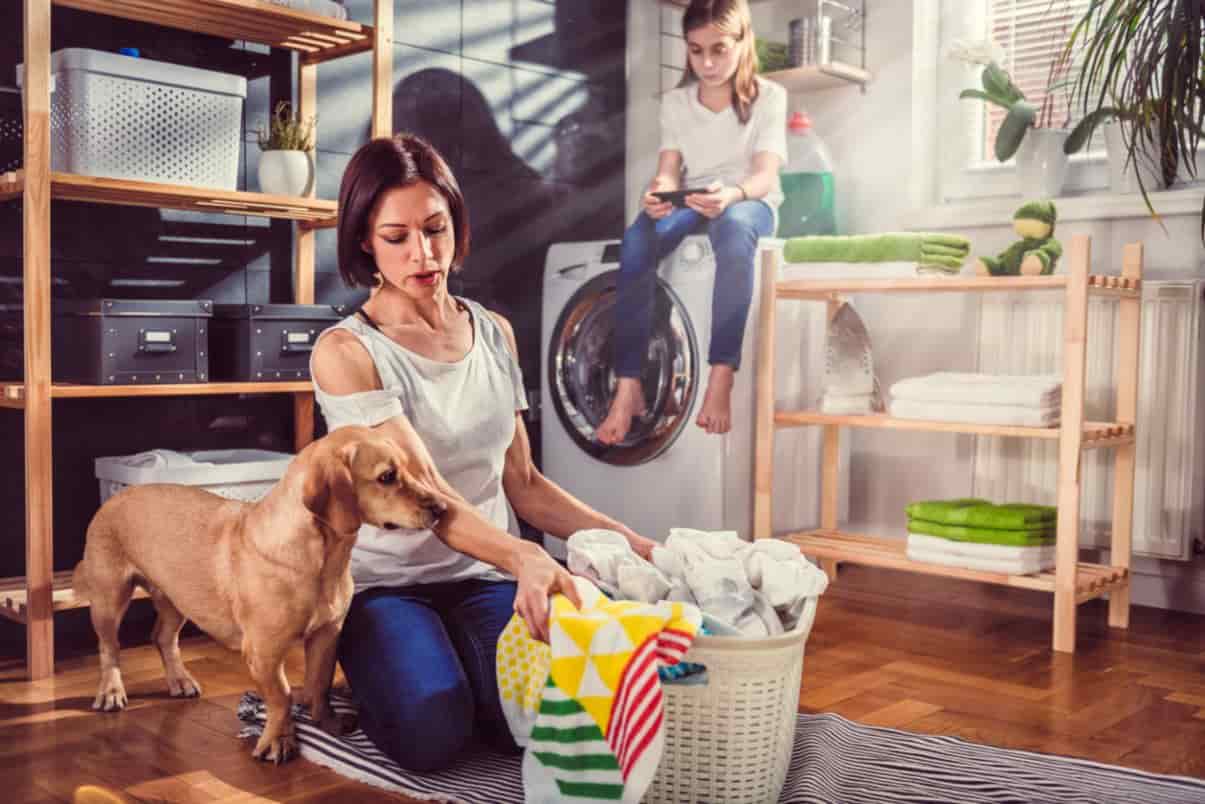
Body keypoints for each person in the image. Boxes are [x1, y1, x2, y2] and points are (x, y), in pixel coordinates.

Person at [310, 134, 657, 772]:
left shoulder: (493, 332)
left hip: (483, 576)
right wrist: (528, 555)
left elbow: (523, 483)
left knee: (539, 718)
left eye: (436, 228)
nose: (424, 253)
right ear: (365, 240)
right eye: (398, 236)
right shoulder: (347, 352)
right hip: (388, 586)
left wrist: (633, 544)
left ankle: (461, 672)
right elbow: (428, 499)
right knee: (431, 730)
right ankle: (376, 664)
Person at [597, 0, 787, 444]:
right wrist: (657, 193)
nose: (707, 62)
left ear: (742, 42)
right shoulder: (677, 102)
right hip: (692, 196)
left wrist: (733, 194)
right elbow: (669, 168)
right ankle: (629, 385)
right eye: (696, 50)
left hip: (746, 200)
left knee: (736, 229)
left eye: (719, 49)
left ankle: (721, 375)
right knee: (638, 236)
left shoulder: (769, 97)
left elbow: (764, 176)